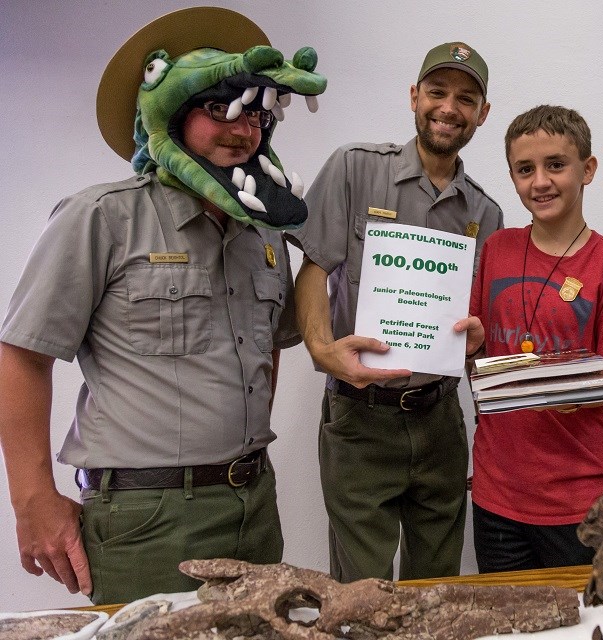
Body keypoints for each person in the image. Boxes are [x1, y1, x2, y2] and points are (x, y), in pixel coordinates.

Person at [0, 7, 327, 604]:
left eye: (254, 115)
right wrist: (32, 501)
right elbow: (22, 355)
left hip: (255, 505)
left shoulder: (266, 233)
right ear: (172, 117)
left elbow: (264, 357)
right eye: (218, 111)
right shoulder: (103, 217)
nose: (242, 129)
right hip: (145, 521)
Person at [290, 42, 501, 582]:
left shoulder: (486, 212)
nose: (449, 108)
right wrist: (321, 350)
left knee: (437, 587)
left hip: (439, 421)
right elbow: (313, 267)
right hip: (361, 417)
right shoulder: (354, 168)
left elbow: (478, 322)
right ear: (414, 97)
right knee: (360, 595)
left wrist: (476, 340)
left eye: (466, 98)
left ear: (483, 112)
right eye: (437, 92)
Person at [469, 105, 603, 572]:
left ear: (587, 170)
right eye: (525, 170)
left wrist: (563, 387)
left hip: (579, 495)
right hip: (495, 490)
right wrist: (463, 343)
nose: (540, 181)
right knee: (508, 623)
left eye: (556, 165)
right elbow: (477, 346)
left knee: (586, 623)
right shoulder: (496, 248)